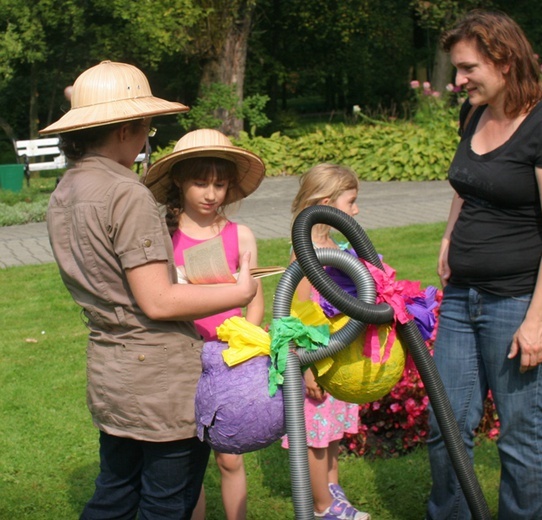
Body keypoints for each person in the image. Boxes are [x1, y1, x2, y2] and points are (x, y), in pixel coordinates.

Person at [41, 60, 258, 519]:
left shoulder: (66, 190)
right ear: (126, 129)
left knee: (115, 495)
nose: (146, 140)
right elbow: (158, 300)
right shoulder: (127, 193)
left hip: (111, 370)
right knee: (167, 503)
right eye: (147, 128)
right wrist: (239, 292)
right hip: (158, 379)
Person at [426, 10, 542, 520]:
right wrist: (450, 237)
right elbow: (465, 186)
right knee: (445, 423)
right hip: (461, 297)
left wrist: (536, 320)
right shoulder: (473, 115)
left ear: (505, 59)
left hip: (520, 300)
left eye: (468, 68)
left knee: (518, 433)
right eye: (457, 69)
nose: (459, 81)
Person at [144, 128, 266, 520]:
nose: (211, 193)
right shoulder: (164, 237)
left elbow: (255, 300)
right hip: (181, 361)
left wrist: (245, 346)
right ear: (179, 181)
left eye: (220, 183)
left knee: (229, 458)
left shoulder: (240, 236)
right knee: (187, 460)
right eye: (200, 183)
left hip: (229, 361)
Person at [286, 163, 370, 520]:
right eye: (350, 202)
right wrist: (306, 370)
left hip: (334, 355)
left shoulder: (331, 243)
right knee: (316, 439)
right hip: (314, 361)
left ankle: (334, 494)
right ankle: (321, 506)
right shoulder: (304, 251)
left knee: (331, 434)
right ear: (325, 203)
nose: (356, 210)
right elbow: (298, 314)